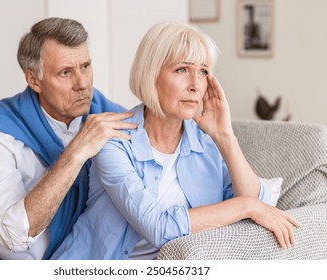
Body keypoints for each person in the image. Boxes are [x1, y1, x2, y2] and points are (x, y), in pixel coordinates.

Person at [51, 21, 301, 260]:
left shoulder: (204, 143)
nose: (195, 85)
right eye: (182, 70)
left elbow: (262, 208)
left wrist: (225, 137)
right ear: (151, 75)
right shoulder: (114, 140)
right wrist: (246, 206)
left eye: (203, 72)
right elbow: (158, 227)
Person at [0, 17, 136, 260]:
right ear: (34, 80)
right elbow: (14, 236)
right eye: (65, 73)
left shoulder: (108, 116)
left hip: (64, 259)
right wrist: (77, 152)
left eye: (85, 66)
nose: (83, 84)